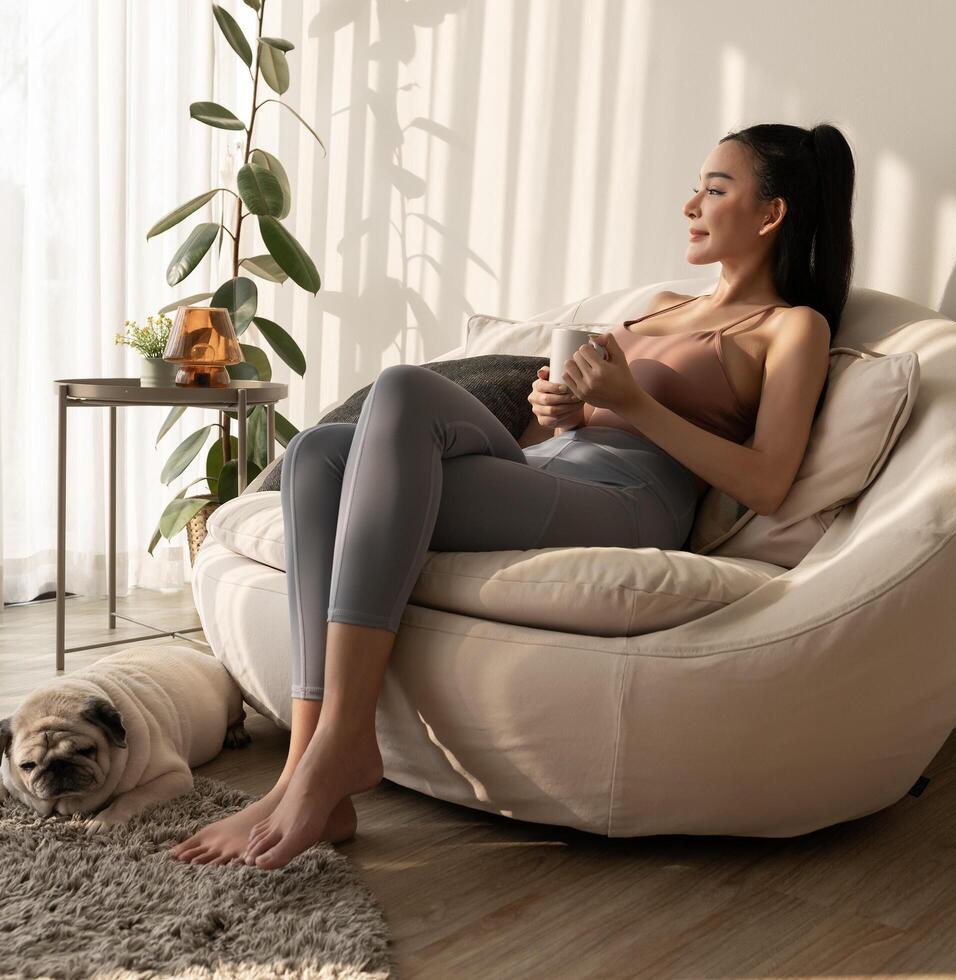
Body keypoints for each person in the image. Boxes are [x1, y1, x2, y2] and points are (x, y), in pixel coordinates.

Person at [169, 121, 855, 869]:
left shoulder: (792, 328)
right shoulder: (655, 306)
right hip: (549, 469)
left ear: (770, 213)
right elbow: (543, 435)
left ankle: (340, 744)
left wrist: (635, 404)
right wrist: (556, 412)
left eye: (715, 189)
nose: (690, 204)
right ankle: (312, 771)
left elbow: (767, 481)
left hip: (628, 500)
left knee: (401, 389)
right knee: (317, 454)